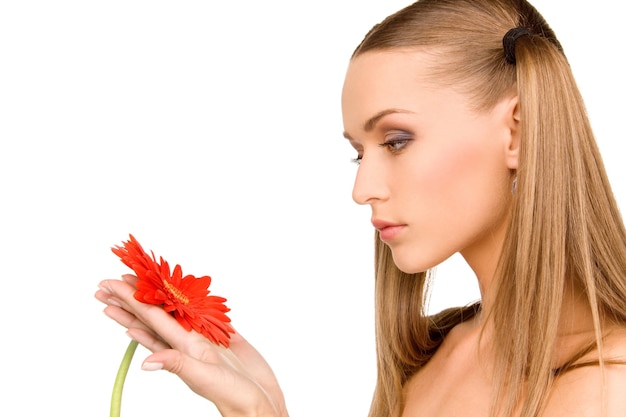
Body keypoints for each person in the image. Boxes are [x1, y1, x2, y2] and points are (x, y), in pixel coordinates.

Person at [95, 0, 626, 416]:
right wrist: (260, 408)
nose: (362, 189)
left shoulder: (608, 387)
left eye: (396, 140)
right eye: (357, 152)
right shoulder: (432, 354)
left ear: (518, 132)